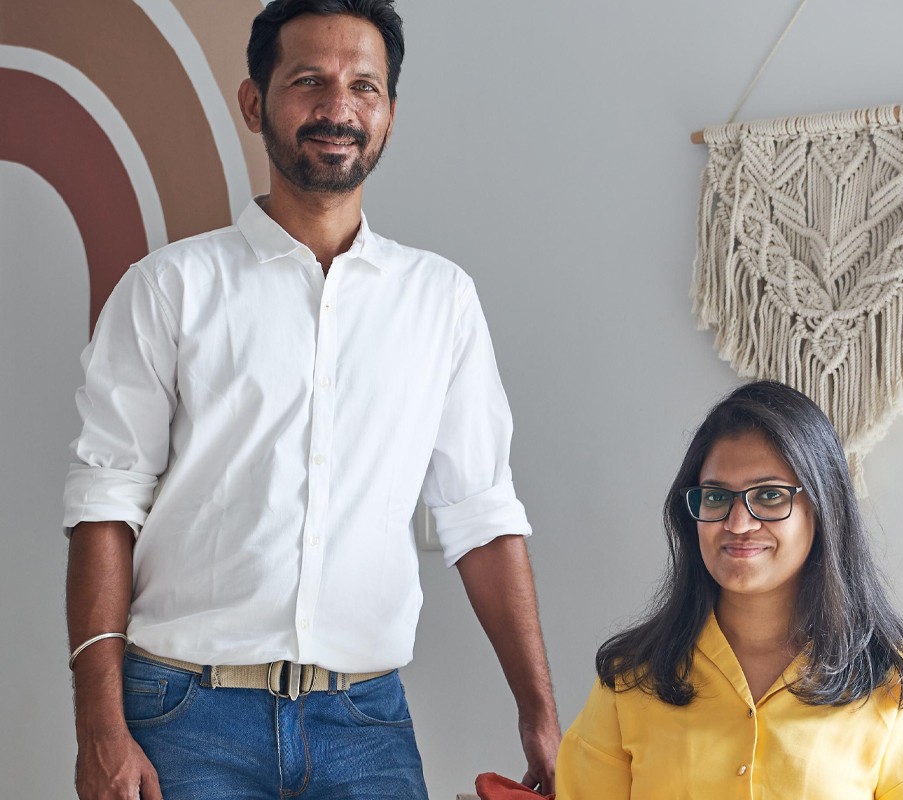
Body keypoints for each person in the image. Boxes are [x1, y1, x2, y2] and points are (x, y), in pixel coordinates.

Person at [62, 2, 559, 798]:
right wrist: (99, 727)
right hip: (184, 717)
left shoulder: (441, 300)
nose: (339, 108)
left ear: (390, 113)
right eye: (308, 82)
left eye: (364, 86)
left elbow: (482, 513)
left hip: (365, 722)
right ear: (254, 101)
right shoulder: (168, 289)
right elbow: (105, 506)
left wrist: (539, 714)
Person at [556, 381, 903, 798]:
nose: (738, 523)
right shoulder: (631, 677)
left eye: (770, 495)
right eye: (716, 497)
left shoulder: (893, 683)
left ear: (821, 508)